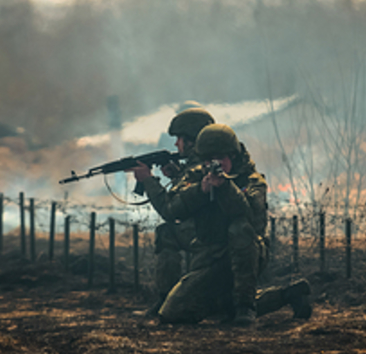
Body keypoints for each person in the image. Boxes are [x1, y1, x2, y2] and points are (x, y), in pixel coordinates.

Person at [138, 124, 311, 325]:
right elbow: (171, 210)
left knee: (240, 229)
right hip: (210, 259)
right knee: (174, 314)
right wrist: (199, 191)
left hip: (245, 257)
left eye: (219, 159)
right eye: (208, 160)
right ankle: (288, 295)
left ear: (233, 156)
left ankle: (245, 306)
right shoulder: (196, 177)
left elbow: (252, 219)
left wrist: (225, 187)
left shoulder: (252, 181)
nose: (213, 165)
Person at [131, 108, 215, 316]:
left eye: (180, 138)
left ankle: (165, 301)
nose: (176, 144)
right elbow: (192, 198)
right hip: (212, 231)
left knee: (166, 232)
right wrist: (177, 175)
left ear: (192, 140)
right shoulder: (205, 162)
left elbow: (171, 210)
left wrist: (148, 180)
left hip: (208, 237)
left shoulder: (198, 168)